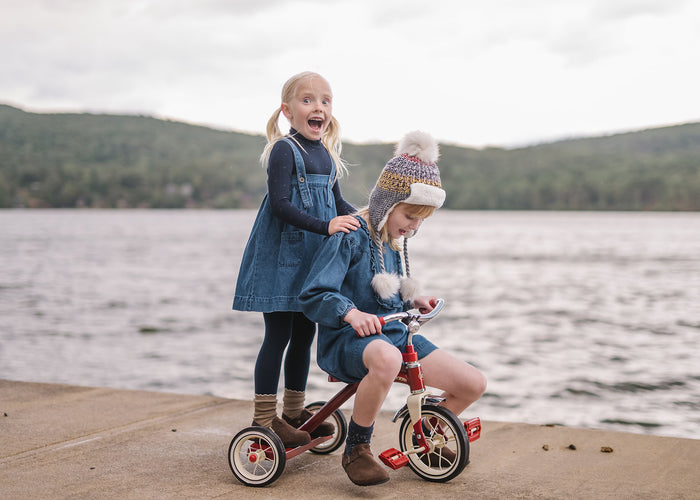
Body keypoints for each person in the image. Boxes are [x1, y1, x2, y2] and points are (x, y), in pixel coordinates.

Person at [299, 131, 487, 486]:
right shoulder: (349, 235)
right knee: (387, 358)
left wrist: (413, 298)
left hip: (395, 337)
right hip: (348, 339)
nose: (413, 226)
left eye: (421, 220)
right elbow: (314, 294)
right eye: (410, 215)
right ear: (387, 202)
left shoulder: (393, 243)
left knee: (473, 383)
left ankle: (425, 431)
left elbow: (389, 292)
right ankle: (357, 447)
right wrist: (351, 313)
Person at [232, 71, 360, 447]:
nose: (318, 107)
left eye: (325, 100)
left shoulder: (328, 155)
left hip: (312, 261)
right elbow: (280, 205)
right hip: (281, 258)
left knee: (304, 336)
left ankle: (293, 411)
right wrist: (327, 227)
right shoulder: (284, 150)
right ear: (287, 111)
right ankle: (264, 417)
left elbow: (338, 205)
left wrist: (369, 220)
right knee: (278, 336)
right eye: (307, 100)